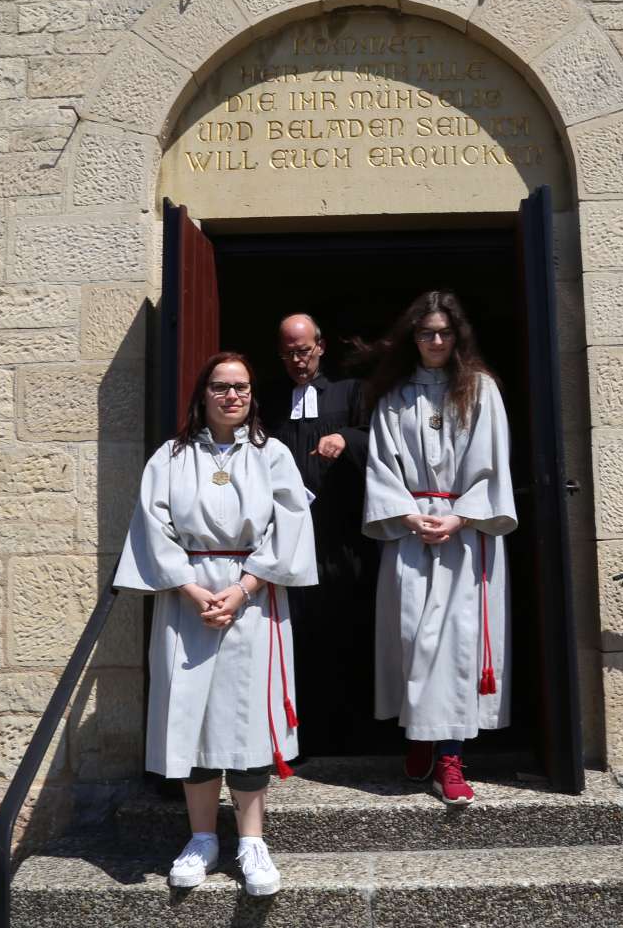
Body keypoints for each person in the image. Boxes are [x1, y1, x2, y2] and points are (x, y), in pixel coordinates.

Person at [114, 351, 317, 897]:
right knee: (194, 717)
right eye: (222, 387)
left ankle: (252, 841)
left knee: (246, 719)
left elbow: (291, 523)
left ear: (252, 395)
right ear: (203, 394)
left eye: (242, 388)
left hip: (254, 596)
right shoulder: (170, 457)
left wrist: (245, 587)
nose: (232, 396)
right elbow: (152, 525)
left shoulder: (272, 454)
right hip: (189, 600)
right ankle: (201, 838)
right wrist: (190, 587)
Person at [362, 291, 517, 807]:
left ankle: (450, 756)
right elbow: (381, 465)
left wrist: (460, 516)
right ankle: (419, 736)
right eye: (426, 332)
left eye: (444, 333)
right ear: (413, 337)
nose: (435, 341)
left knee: (455, 646)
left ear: (457, 337)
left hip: (464, 534)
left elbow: (493, 464)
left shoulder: (480, 390)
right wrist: (408, 514)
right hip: (410, 532)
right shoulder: (394, 396)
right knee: (412, 638)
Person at [265, 314, 375, 753]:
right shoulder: (272, 401)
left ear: (321, 347)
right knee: (298, 634)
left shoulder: (350, 392)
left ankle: (353, 736)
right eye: (287, 354)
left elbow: (379, 439)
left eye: (303, 351)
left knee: (345, 628)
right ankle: (300, 736)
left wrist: (346, 438)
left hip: (340, 535)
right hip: (292, 538)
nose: (297, 361)